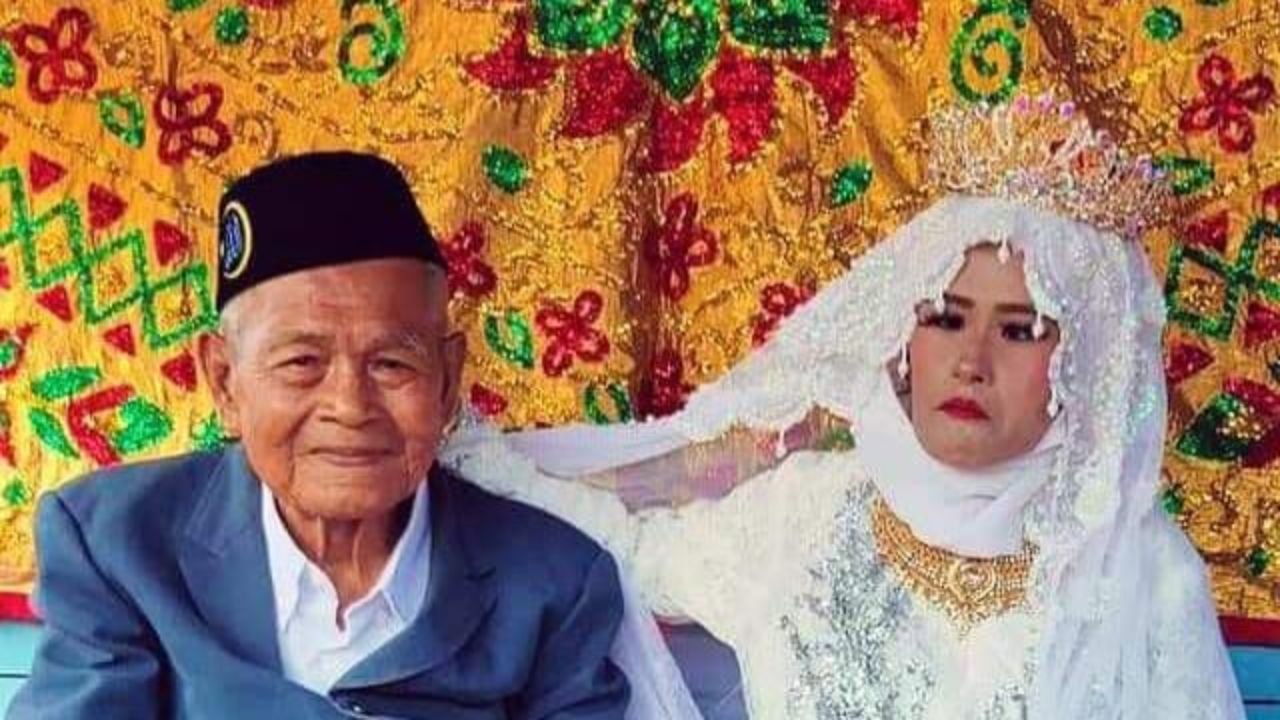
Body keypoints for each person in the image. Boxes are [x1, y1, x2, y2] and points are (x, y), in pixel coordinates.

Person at [445, 95, 1247, 719]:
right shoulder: (807, 514)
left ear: (1085, 363)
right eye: (945, 318)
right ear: (904, 338)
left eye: (1019, 331)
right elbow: (628, 548)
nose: (970, 361)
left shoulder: (1144, 569)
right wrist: (472, 461)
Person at [8, 152, 631, 719]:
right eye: (302, 363)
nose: (349, 407)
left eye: (392, 363)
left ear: (446, 382)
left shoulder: (554, 585)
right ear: (225, 381)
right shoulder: (116, 543)